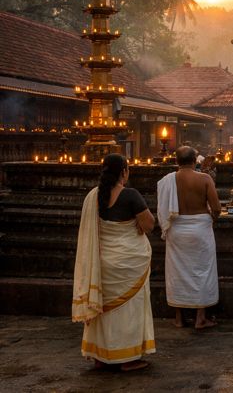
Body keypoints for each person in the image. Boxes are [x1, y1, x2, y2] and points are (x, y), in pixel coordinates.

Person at [73, 154, 155, 371]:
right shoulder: (130, 195)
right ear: (124, 172)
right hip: (128, 263)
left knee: (103, 310)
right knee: (129, 312)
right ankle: (127, 359)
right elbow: (149, 225)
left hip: (103, 262)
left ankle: (101, 356)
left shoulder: (93, 196)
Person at [157, 146, 221, 329]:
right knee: (202, 271)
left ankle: (179, 318)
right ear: (195, 161)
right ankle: (200, 318)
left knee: (177, 273)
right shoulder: (205, 179)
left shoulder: (168, 180)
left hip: (176, 231)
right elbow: (216, 208)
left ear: (177, 161)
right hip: (200, 231)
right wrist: (211, 218)